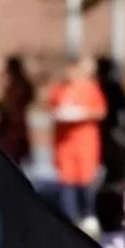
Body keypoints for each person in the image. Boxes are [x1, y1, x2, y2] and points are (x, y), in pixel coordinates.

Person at [47, 54, 106, 232]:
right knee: (67, 181)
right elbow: (51, 109)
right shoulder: (59, 89)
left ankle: (88, 214)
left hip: (85, 142)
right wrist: (60, 114)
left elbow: (100, 112)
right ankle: (70, 217)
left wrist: (82, 113)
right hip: (65, 143)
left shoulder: (90, 88)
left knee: (86, 180)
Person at [0, 55, 33, 166]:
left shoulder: (19, 86)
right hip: (11, 127)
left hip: (13, 128)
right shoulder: (15, 85)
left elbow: (11, 105)